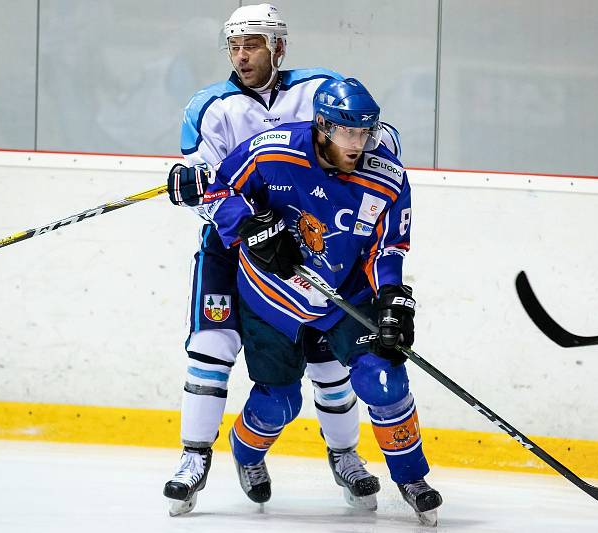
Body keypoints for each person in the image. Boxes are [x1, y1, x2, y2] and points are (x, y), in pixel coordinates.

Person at [162, 4, 401, 516]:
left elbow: (378, 139)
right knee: (212, 342)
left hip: (312, 250)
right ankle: (193, 458)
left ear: (279, 48)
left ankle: (345, 456)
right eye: (235, 46)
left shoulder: (320, 89)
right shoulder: (210, 106)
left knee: (330, 356)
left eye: (253, 45)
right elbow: (207, 183)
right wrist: (191, 184)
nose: (242, 55)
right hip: (233, 247)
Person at [201, 77, 443, 526]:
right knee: (280, 402)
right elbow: (217, 191)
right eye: (349, 133)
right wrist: (251, 228)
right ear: (323, 127)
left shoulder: (386, 176)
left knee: (383, 377)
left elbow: (387, 247)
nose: (360, 143)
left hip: (342, 294)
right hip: (270, 295)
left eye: (366, 132)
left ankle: (412, 479)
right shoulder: (272, 150)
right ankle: (246, 452)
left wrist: (391, 298)